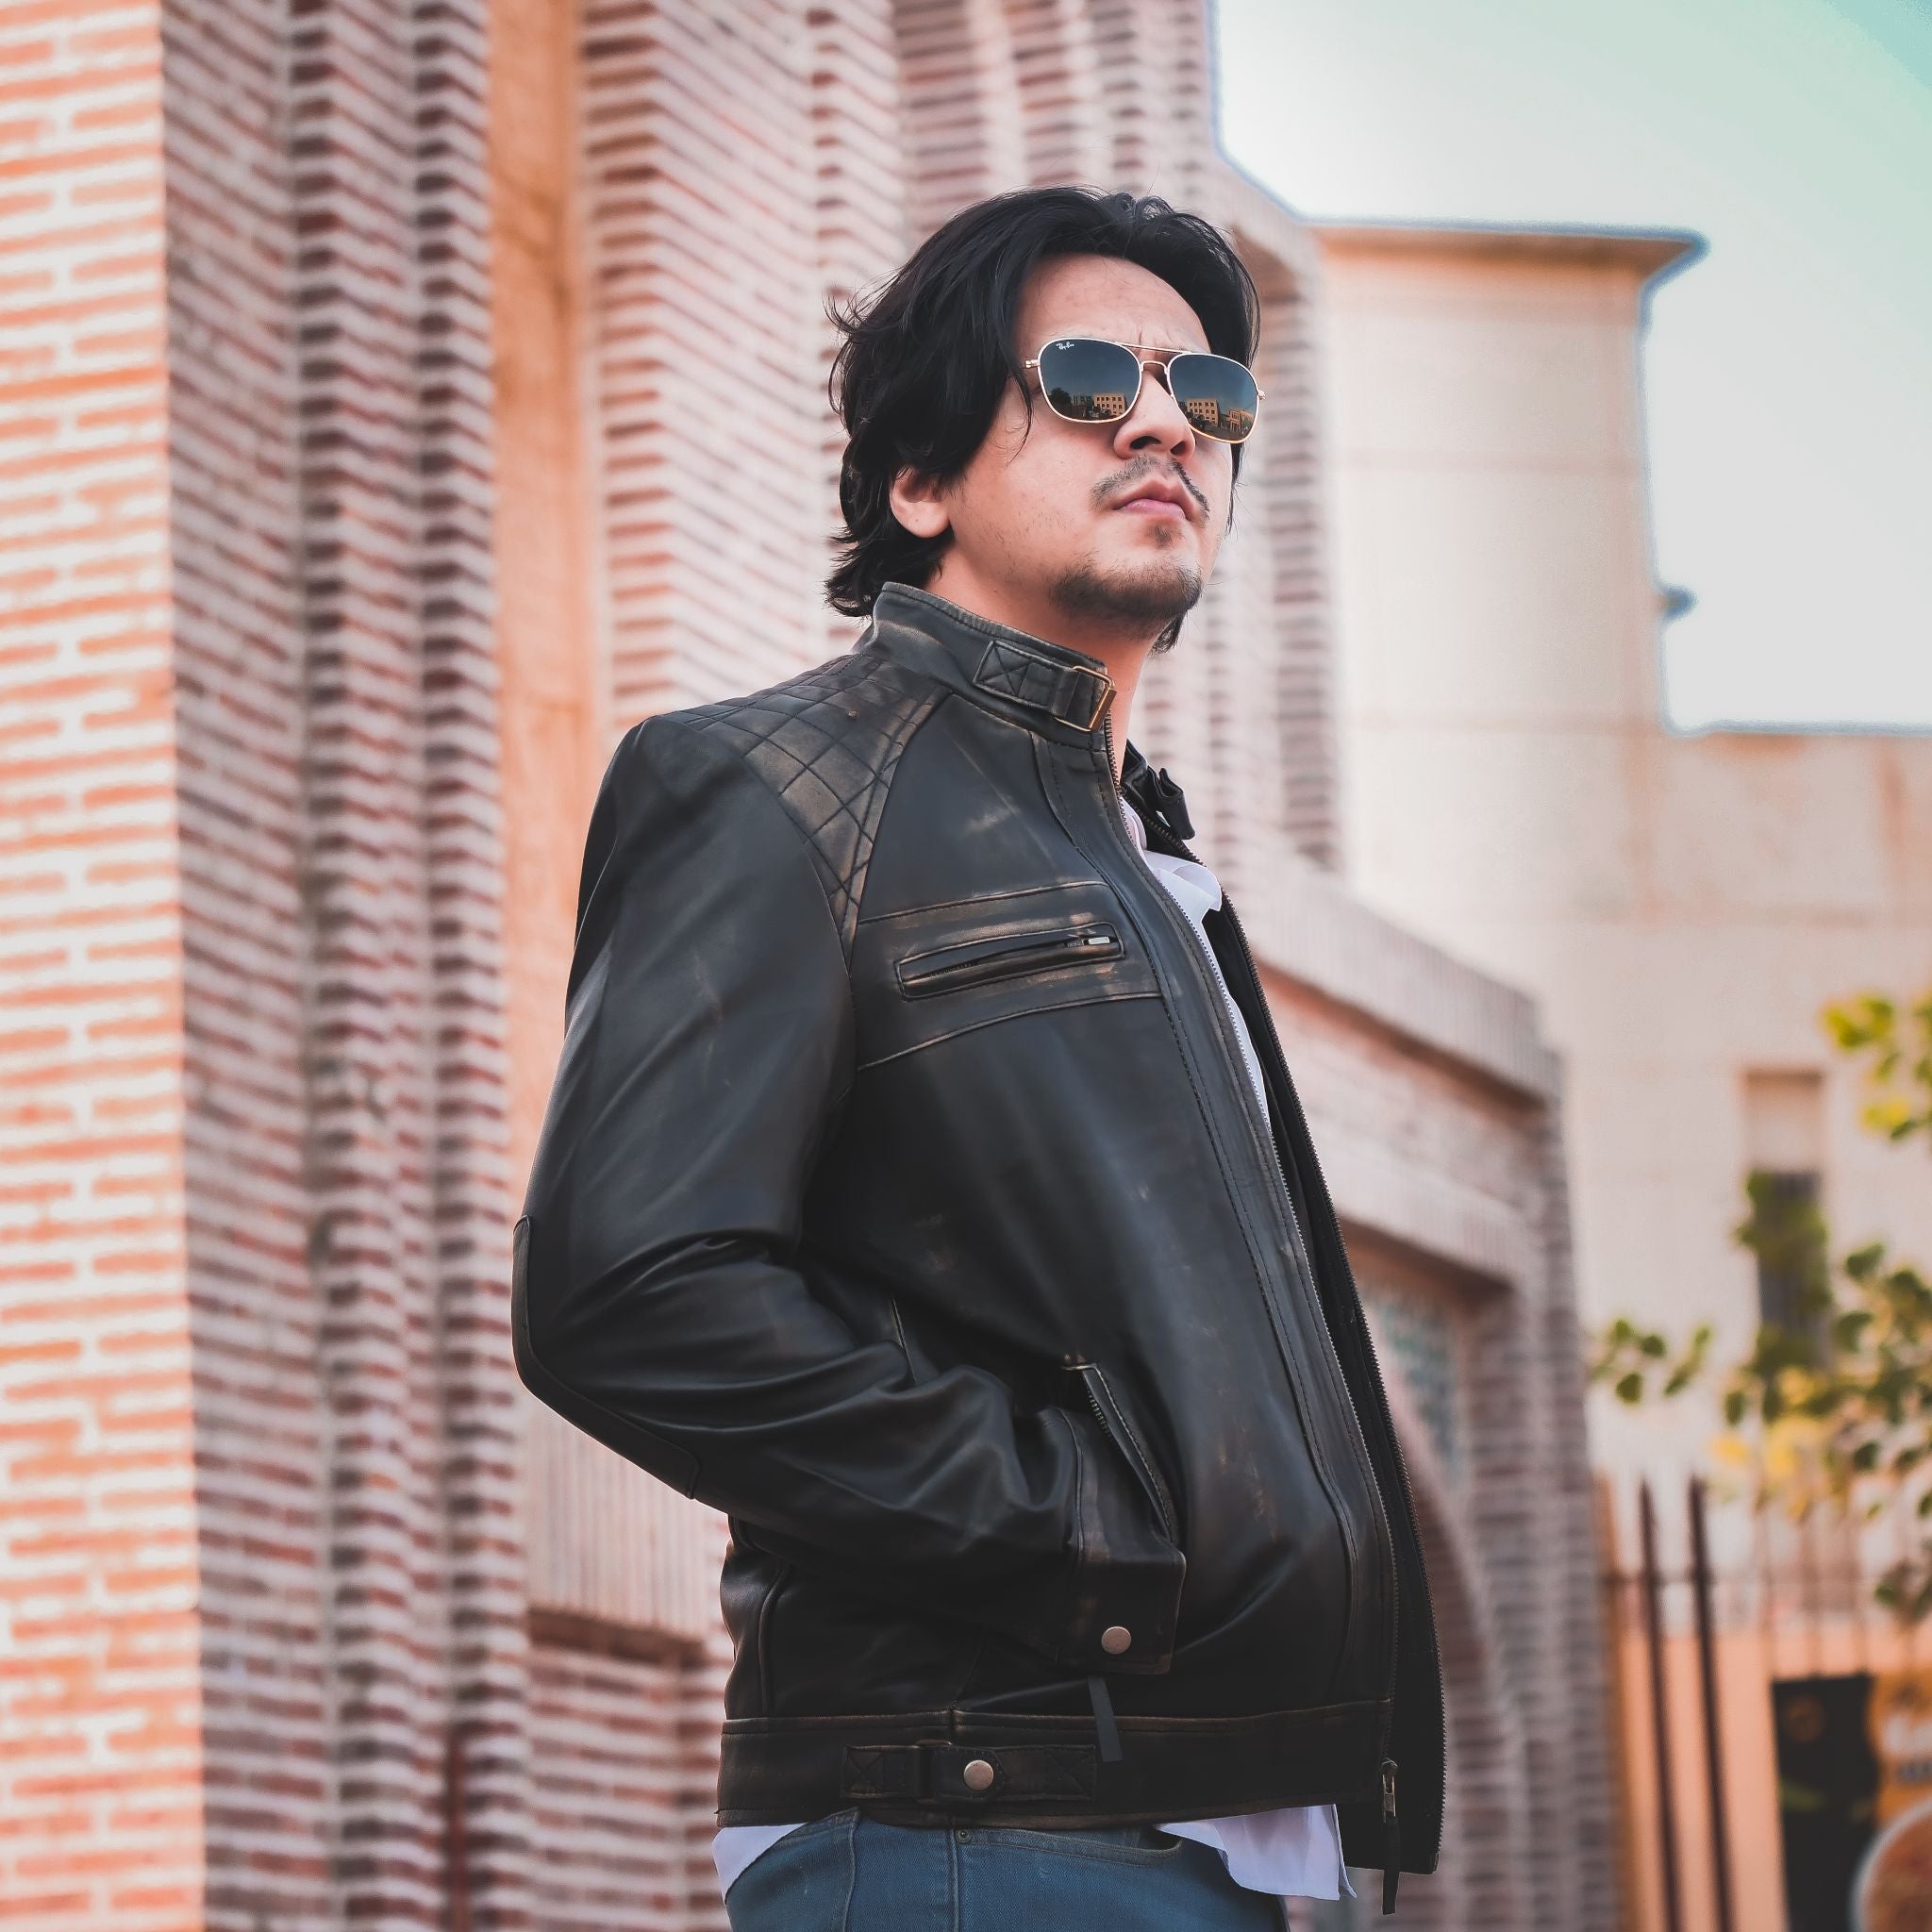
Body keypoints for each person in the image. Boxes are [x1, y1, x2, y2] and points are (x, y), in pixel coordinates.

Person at [513, 186, 1442, 1931]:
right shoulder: (777, 787)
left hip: (1190, 1841)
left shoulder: (1150, 864)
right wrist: (1095, 1545)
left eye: (1207, 393)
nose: (1166, 424)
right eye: (1088, 380)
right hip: (967, 1824)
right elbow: (629, 1290)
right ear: (919, 481)